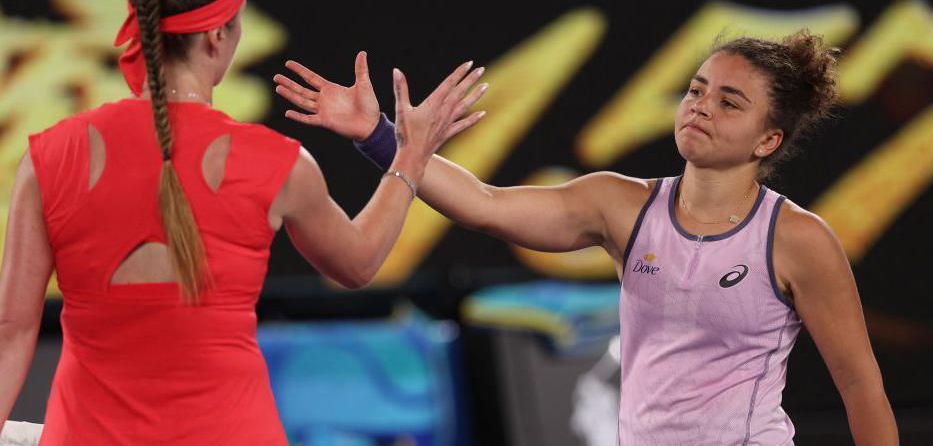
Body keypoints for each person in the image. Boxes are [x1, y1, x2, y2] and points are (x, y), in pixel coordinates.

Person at [275, 31, 899, 445]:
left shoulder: (799, 239)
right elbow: (485, 205)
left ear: (769, 141)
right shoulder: (619, 205)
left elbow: (859, 384)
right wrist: (380, 135)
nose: (700, 107)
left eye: (729, 103)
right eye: (695, 89)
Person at [0, 0, 485, 444]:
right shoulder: (279, 164)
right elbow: (358, 264)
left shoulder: (49, 158)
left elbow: (12, 332)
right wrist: (410, 153)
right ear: (218, 36)